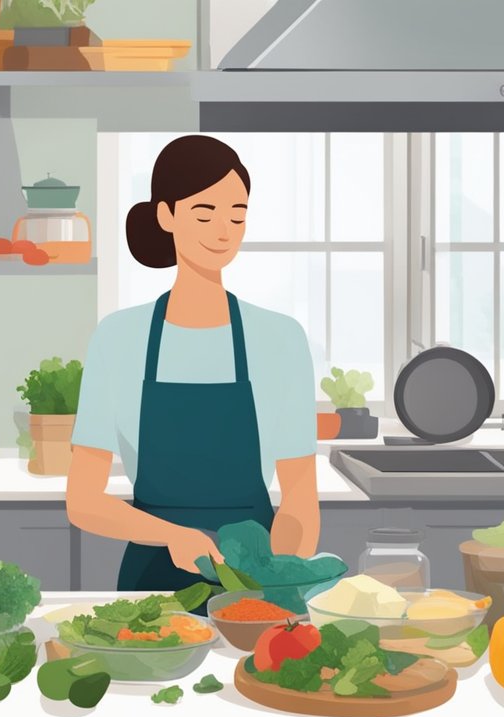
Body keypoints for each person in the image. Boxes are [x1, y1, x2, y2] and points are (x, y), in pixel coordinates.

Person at [66, 135, 320, 593]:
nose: (224, 231)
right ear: (166, 215)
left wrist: (271, 579)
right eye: (205, 213)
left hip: (258, 586)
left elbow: (301, 504)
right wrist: (171, 536)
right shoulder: (119, 338)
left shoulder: (281, 339)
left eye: (237, 215)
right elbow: (83, 500)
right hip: (152, 586)